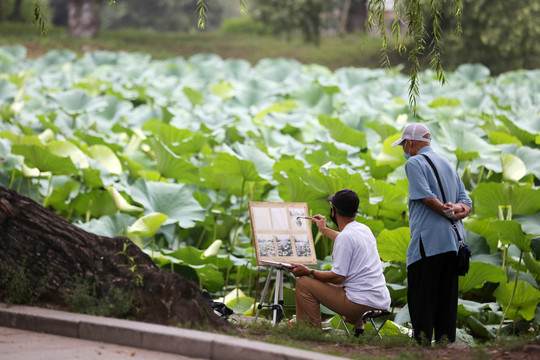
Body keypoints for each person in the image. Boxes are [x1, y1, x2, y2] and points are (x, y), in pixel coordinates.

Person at [392, 123, 472, 345]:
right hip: (453, 244)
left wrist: (446, 212)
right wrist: (456, 211)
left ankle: (422, 348)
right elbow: (467, 204)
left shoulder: (415, 163)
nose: (403, 150)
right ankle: (446, 347)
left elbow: (427, 198)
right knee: (447, 300)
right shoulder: (447, 163)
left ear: (410, 143)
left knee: (422, 297)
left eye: (403, 145)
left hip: (428, 243)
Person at [288, 188, 391, 329]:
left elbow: (338, 277)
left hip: (360, 304)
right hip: (381, 301)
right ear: (356, 211)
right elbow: (345, 240)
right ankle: (358, 334)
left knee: (304, 283)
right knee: (349, 285)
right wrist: (324, 230)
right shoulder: (363, 229)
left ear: (333, 210)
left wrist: (308, 271)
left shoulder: (346, 237)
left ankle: (310, 333)